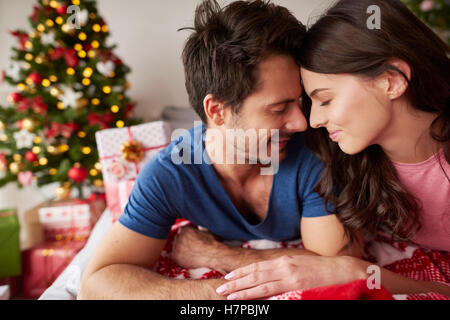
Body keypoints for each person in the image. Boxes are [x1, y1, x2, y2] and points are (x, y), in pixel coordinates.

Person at [78, 0, 360, 300]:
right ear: (217, 111)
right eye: (279, 109)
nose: (302, 122)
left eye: (299, 101)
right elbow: (96, 282)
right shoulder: (171, 172)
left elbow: (339, 268)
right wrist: (216, 292)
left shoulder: (315, 151)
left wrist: (217, 255)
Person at [215, 0, 450, 300]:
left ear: (391, 80)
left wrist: (361, 274)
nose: (313, 120)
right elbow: (325, 260)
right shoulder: (343, 155)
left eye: (325, 100)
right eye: (309, 104)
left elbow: (345, 268)